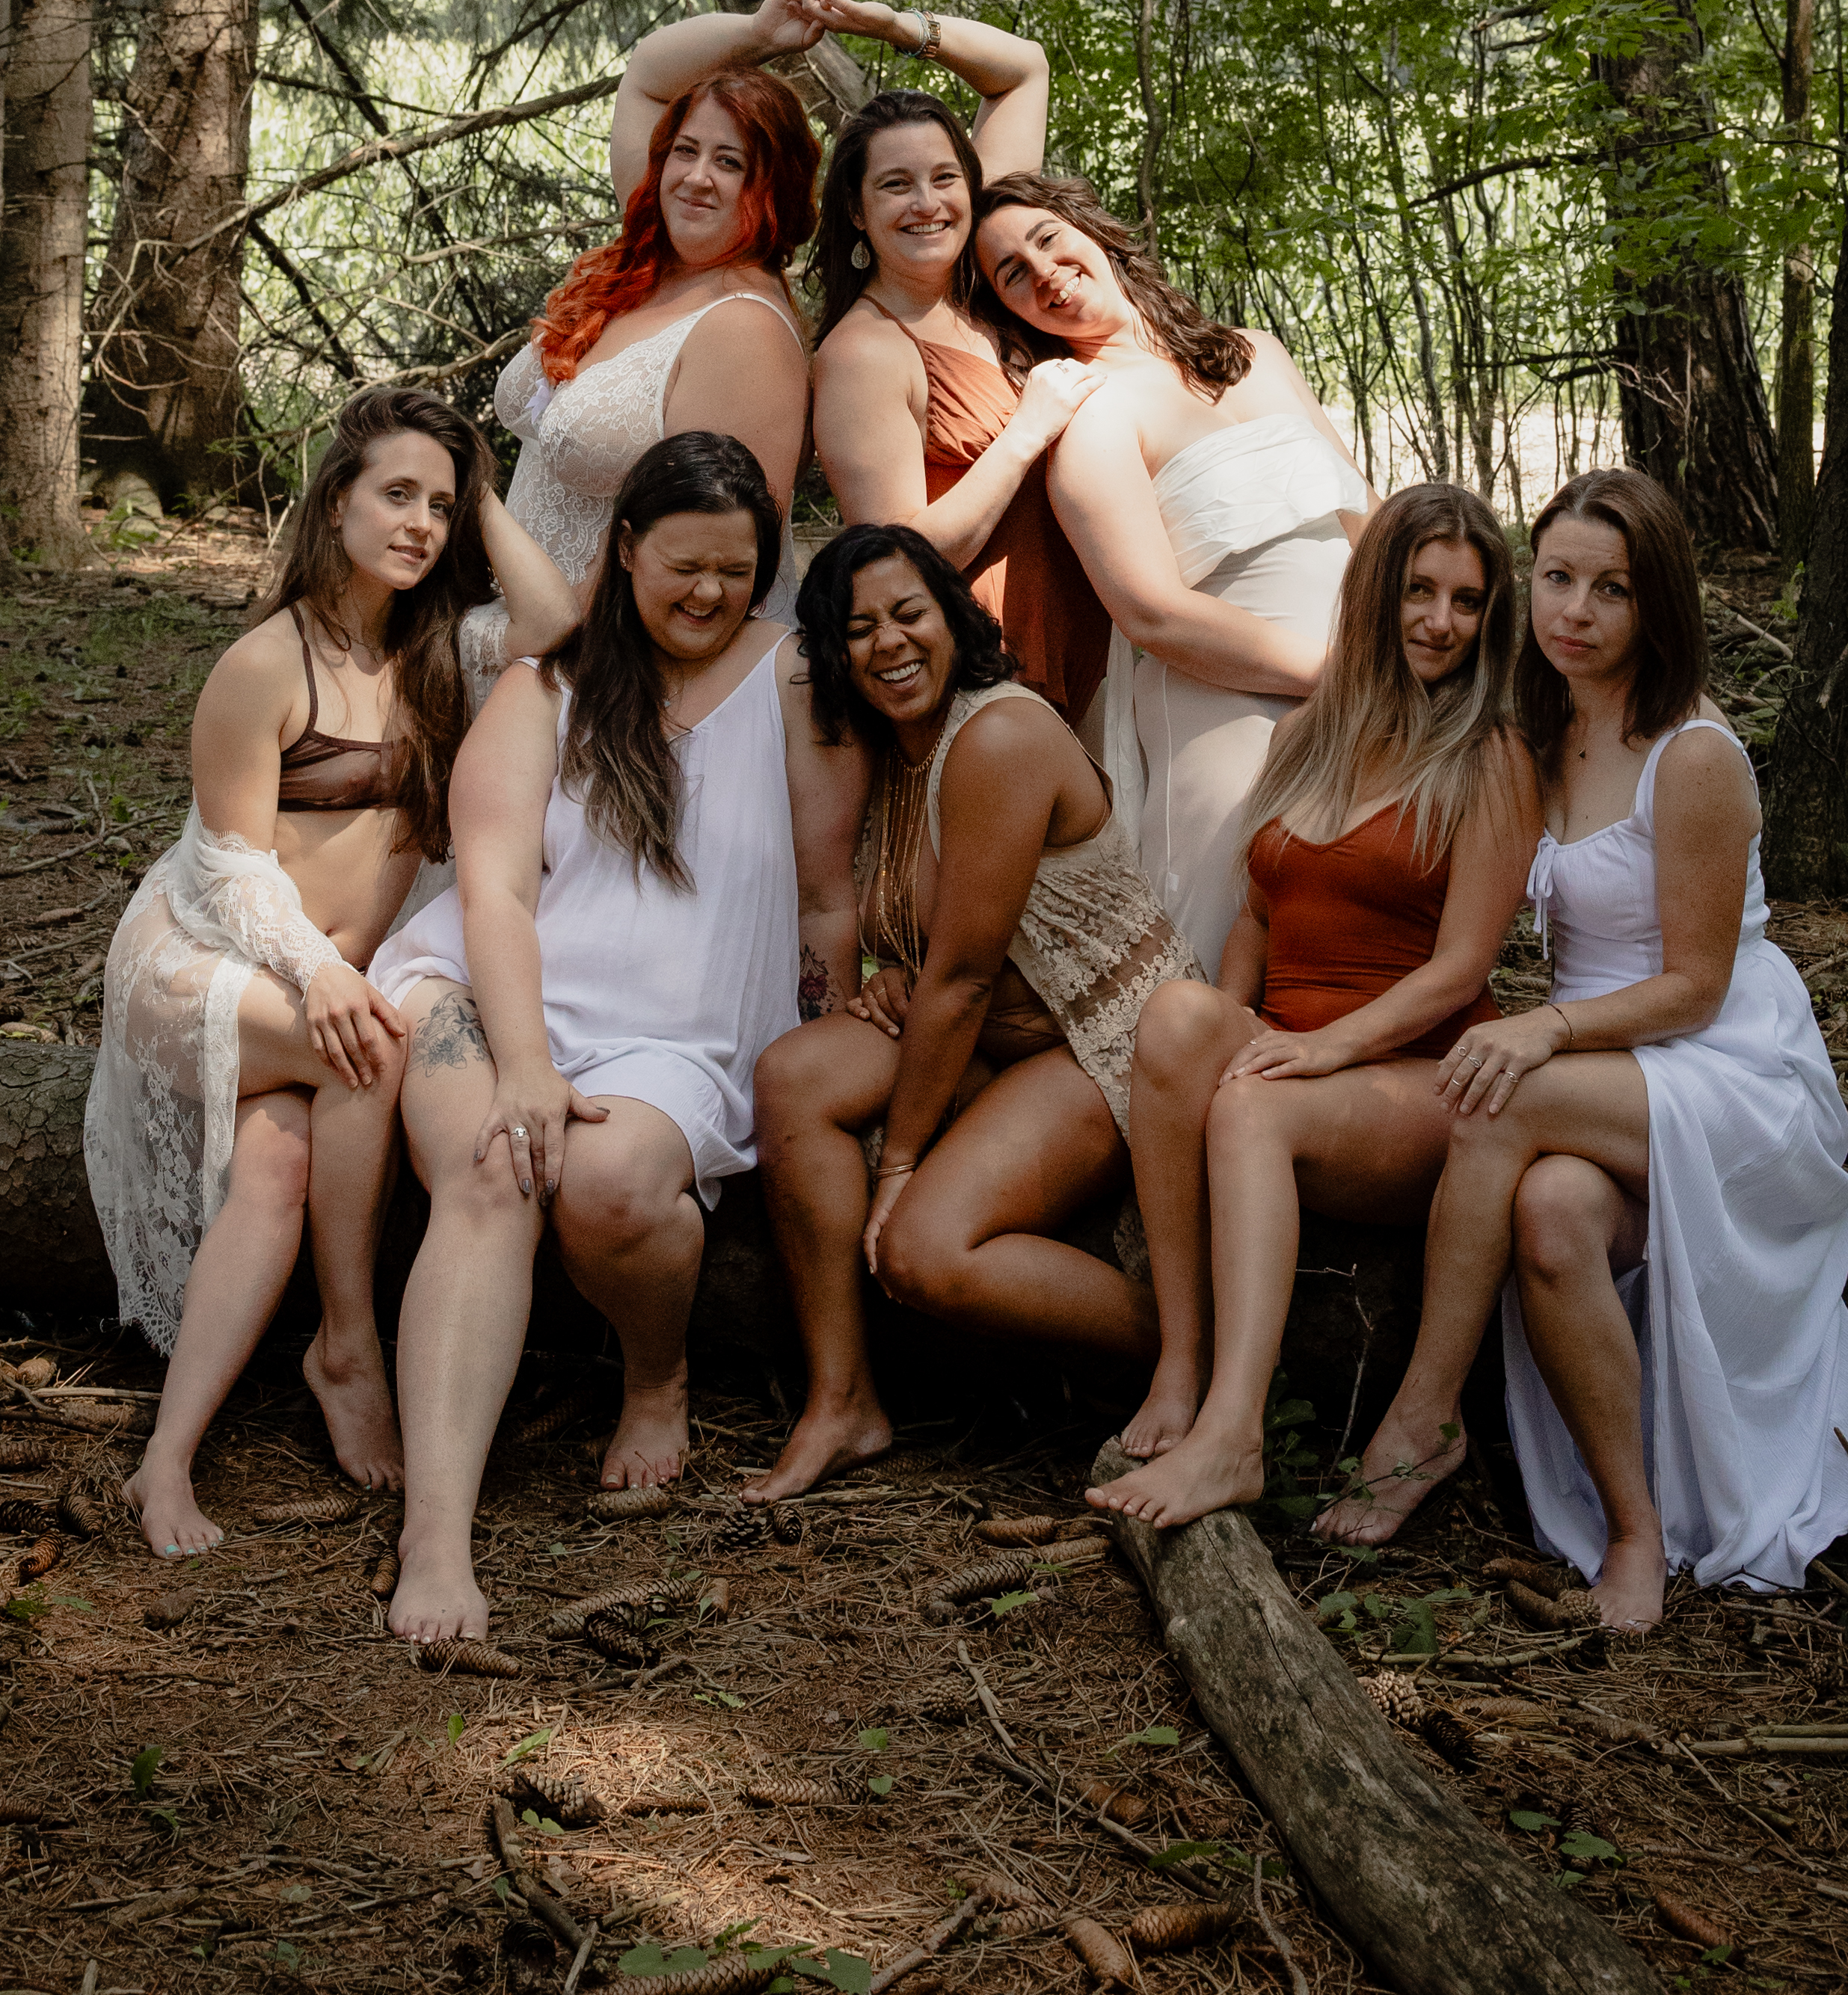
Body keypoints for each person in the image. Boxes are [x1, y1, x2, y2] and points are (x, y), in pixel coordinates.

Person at [1315, 467, 1848, 1629]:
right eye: (1558, 578)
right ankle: (1636, 1527)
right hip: (1614, 1079)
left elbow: (1698, 983)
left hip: (1729, 1070)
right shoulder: (1541, 731)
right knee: (1554, 1215)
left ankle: (1423, 1416)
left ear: (1655, 602)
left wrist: (1547, 1025)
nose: (1574, 610)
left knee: (1494, 1102)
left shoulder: (1695, 754)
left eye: (1610, 589)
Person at [365, 431, 869, 1642]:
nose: (706, 593)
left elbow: (825, 891)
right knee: (492, 1168)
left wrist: (844, 1028)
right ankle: (435, 1541)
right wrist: (526, 1064)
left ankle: (657, 1375)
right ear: (624, 549)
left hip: (681, 1036)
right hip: (490, 993)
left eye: (735, 572)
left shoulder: (797, 681)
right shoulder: (549, 684)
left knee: (610, 1186)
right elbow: (488, 890)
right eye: (681, 565)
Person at [87, 387, 575, 1559]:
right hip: (208, 958)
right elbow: (228, 869)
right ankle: (348, 1340)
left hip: (323, 981)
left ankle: (165, 1463)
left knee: (280, 1162)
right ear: (337, 501)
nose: (420, 522)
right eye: (396, 494)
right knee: (373, 1045)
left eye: (441, 506)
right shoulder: (267, 659)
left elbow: (554, 616)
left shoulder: (441, 647)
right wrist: (318, 974)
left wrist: (485, 483)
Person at [1087, 485, 1541, 1527]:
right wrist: (1222, 1041)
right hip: (1306, 1055)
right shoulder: (1312, 735)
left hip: (1429, 1078)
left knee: (1253, 1102)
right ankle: (1181, 1365)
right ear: (1375, 594)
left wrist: (1316, 1052)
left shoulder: (1492, 757)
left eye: (1468, 602)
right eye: (1419, 591)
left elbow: (1461, 970)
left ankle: (1234, 1438)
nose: (1440, 621)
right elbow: (1257, 916)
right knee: (1175, 1019)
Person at [743, 523, 1193, 1502]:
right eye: (859, 629)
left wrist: (899, 1164)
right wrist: (888, 972)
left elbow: (965, 980)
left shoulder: (1000, 734)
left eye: (910, 613)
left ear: (952, 617)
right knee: (791, 1076)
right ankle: (843, 1400)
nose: (891, 642)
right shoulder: (884, 754)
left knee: (923, 1250)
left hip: (1104, 1039)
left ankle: (1195, 1341)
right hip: (999, 1040)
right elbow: (927, 955)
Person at [972, 174, 1372, 976]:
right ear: (1008, 310)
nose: (1041, 269)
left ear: (1098, 233)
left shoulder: (1259, 351)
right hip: (1232, 706)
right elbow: (1150, 611)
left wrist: (1406, 655)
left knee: (1369, 930)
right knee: (1232, 947)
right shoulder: (1091, 414)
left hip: (1371, 681)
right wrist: (1339, 675)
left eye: (1047, 238)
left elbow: (1366, 511)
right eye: (1011, 272)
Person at [485, 0, 829, 654]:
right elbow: (646, 71)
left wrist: (533, 648)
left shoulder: (745, 330)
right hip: (526, 640)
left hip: (612, 665)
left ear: (777, 190)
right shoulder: (644, 262)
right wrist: (761, 32)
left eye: (731, 163)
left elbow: (715, 553)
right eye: (685, 151)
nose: (696, 177)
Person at [802, 0, 1108, 723]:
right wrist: (1027, 431)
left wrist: (891, 26)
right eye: (894, 185)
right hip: (986, 680)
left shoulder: (984, 273)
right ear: (855, 210)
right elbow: (897, 556)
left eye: (944, 178)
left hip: (1093, 649)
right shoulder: (864, 352)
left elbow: (1024, 70)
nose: (927, 202)